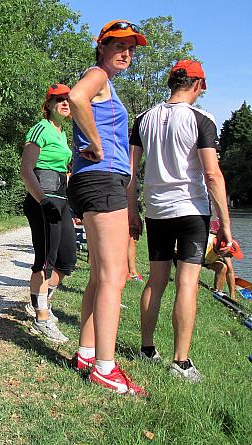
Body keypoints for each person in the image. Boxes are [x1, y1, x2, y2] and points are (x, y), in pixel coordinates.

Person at [128, 60, 233, 383]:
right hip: (191, 211)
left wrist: (132, 210)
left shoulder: (143, 118)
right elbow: (212, 175)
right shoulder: (202, 119)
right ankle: (181, 362)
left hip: (157, 210)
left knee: (156, 280)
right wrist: (225, 224)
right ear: (198, 84)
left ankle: (147, 349)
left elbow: (131, 172)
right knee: (186, 283)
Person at [66, 20, 147, 395]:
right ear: (102, 47)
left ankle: (86, 352)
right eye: (118, 45)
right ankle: (105, 367)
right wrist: (97, 145)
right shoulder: (96, 75)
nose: (126, 52)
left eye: (131, 48)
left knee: (100, 275)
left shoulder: (104, 80)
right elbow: (77, 97)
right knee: (115, 277)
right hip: (102, 179)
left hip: (93, 181)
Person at [20, 83, 77, 344]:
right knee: (45, 260)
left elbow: (65, 169)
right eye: (59, 100)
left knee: (67, 260)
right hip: (43, 197)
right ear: (49, 105)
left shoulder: (63, 134)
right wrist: (42, 201)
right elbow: (26, 169)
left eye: (68, 99)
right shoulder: (40, 128)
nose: (65, 103)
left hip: (62, 197)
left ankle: (43, 302)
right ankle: (41, 317)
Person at [204, 220, 240, 301]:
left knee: (222, 267)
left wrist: (233, 296)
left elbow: (230, 270)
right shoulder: (209, 243)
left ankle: (217, 295)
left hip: (206, 259)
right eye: (231, 254)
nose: (231, 257)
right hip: (194, 258)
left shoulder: (225, 245)